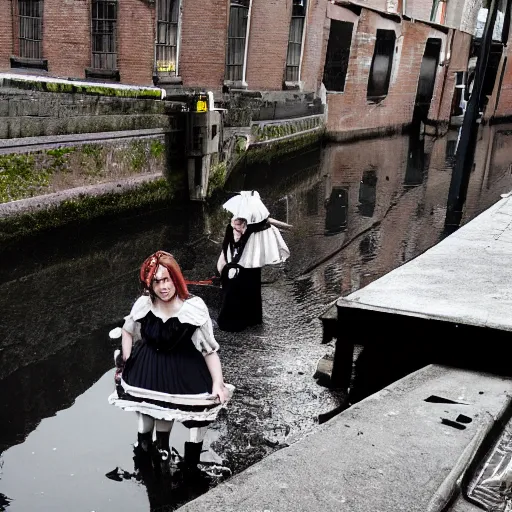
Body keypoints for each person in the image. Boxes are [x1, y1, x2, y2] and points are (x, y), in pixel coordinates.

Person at [108, 250, 234, 473]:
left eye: (166, 280)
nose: (163, 287)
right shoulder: (143, 305)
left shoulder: (192, 309)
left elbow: (209, 350)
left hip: (182, 367)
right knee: (148, 414)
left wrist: (218, 382)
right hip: (147, 367)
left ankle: (188, 468)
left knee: (187, 414)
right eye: (156, 282)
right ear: (149, 285)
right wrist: (126, 357)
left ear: (175, 278)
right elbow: (128, 330)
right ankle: (148, 455)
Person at [217, 191, 290, 332]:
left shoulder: (253, 230)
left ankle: (239, 321)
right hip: (243, 266)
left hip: (244, 268)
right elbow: (229, 246)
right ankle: (249, 319)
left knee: (241, 291)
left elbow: (237, 248)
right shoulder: (251, 227)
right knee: (247, 290)